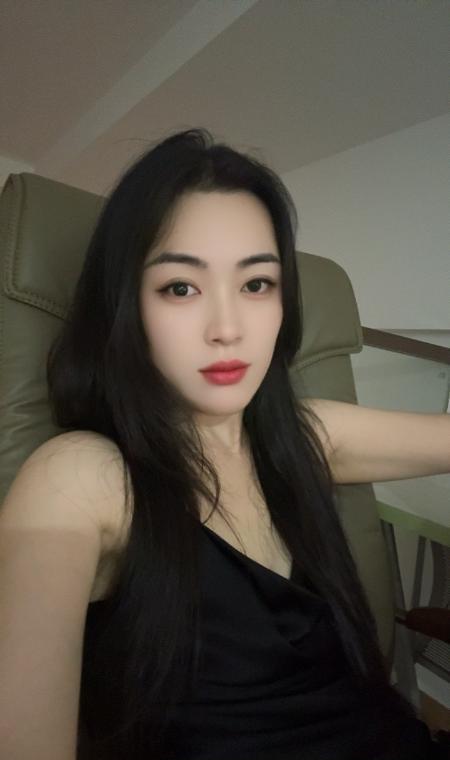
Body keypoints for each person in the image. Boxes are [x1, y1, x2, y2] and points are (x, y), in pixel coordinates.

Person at [0, 128, 448, 760]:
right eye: (180, 287)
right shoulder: (80, 478)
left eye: (256, 284)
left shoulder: (304, 436)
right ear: (126, 306)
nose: (228, 328)